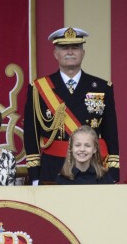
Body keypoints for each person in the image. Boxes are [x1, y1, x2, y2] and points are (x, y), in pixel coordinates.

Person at [24, 27, 119, 185]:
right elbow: (31, 134)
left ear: (83, 53)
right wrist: (35, 175)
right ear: (56, 54)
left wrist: (114, 172)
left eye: (75, 48)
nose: (70, 52)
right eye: (64, 48)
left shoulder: (102, 87)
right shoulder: (39, 88)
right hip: (53, 168)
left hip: (92, 169)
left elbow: (111, 133)